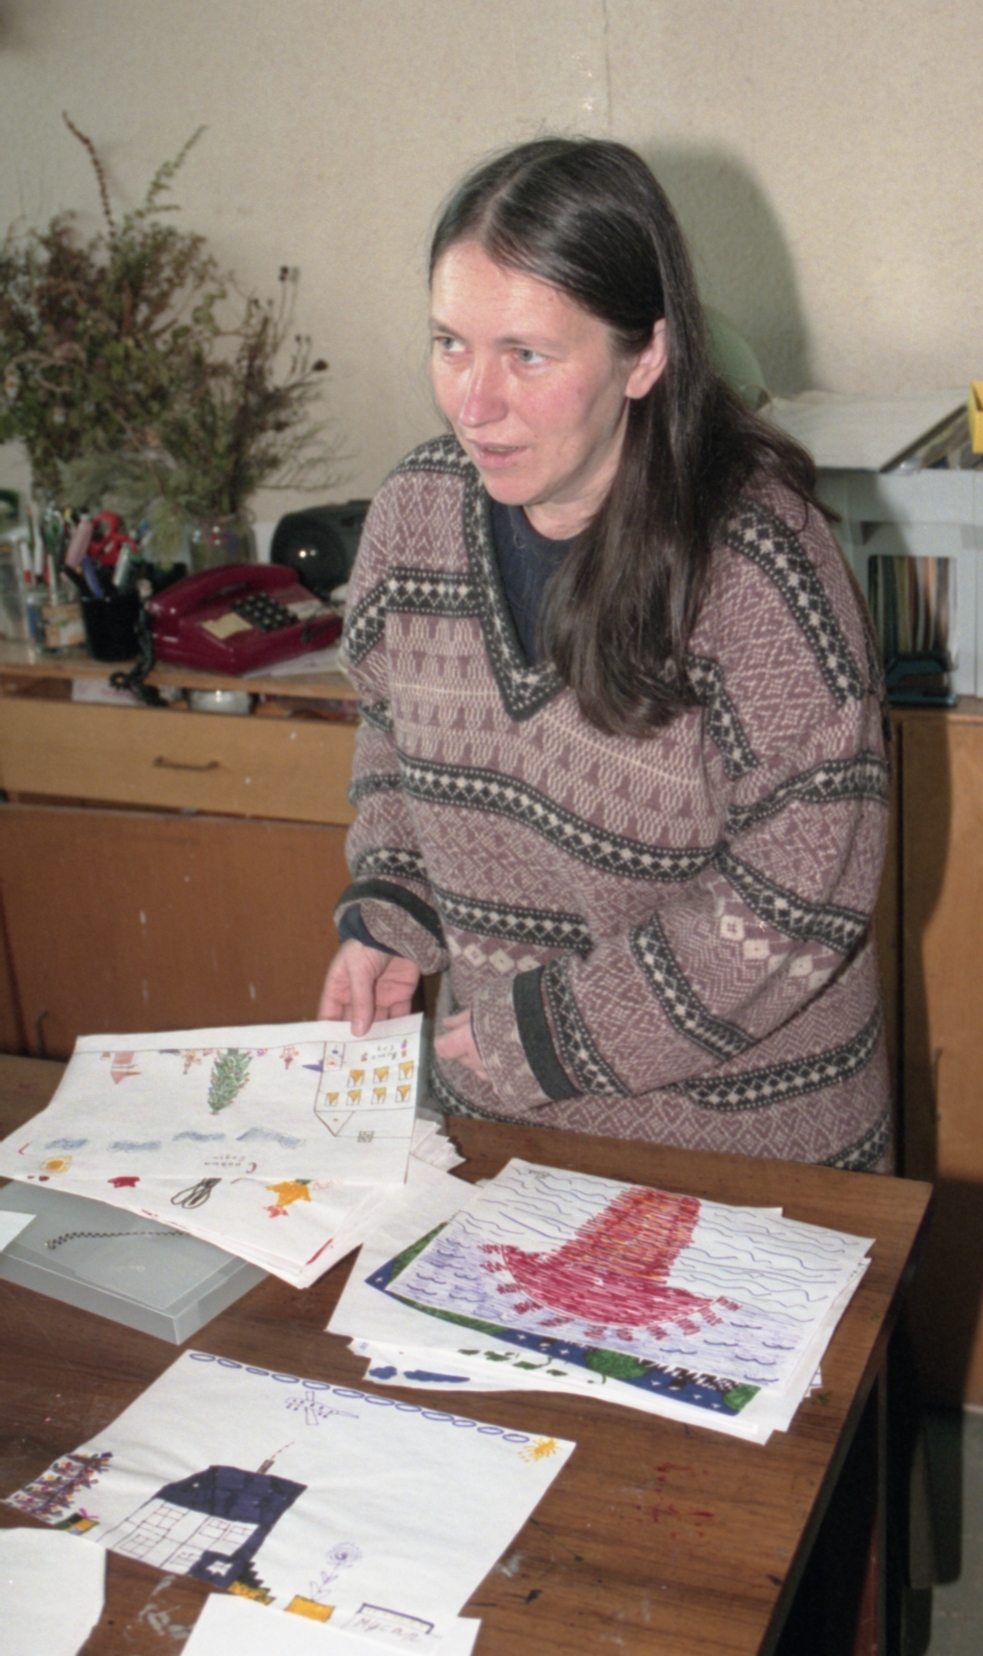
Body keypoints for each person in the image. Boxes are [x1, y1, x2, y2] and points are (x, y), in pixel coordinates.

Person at [319, 137, 891, 1171]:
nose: (472, 402)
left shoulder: (754, 564)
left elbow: (801, 892)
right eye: (450, 344)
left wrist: (554, 1031)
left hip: (744, 1152)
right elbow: (395, 740)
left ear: (645, 356)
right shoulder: (413, 516)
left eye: (525, 356)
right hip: (498, 1120)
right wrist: (390, 906)